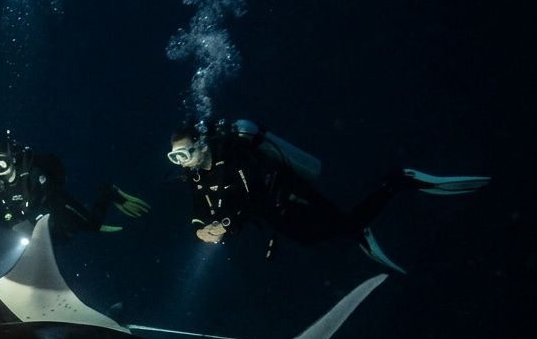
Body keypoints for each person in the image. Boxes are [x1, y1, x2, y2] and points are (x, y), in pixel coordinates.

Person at [167, 118, 490, 272]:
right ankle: (359, 228)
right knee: (315, 238)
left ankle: (399, 181)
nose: (182, 162)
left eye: (185, 153)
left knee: (345, 225)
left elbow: (250, 195)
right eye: (175, 157)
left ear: (202, 144)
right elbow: (200, 206)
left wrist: (226, 225)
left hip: (291, 196)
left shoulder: (232, 158)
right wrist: (200, 228)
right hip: (275, 216)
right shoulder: (195, 175)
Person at [0, 134, 149, 240]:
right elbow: (1, 212)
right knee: (62, 239)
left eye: (2, 164)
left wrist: (48, 216)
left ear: (12, 160)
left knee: (92, 224)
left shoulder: (32, 174)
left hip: (55, 204)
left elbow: (52, 193)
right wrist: (12, 222)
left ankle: (108, 193)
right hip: (35, 219)